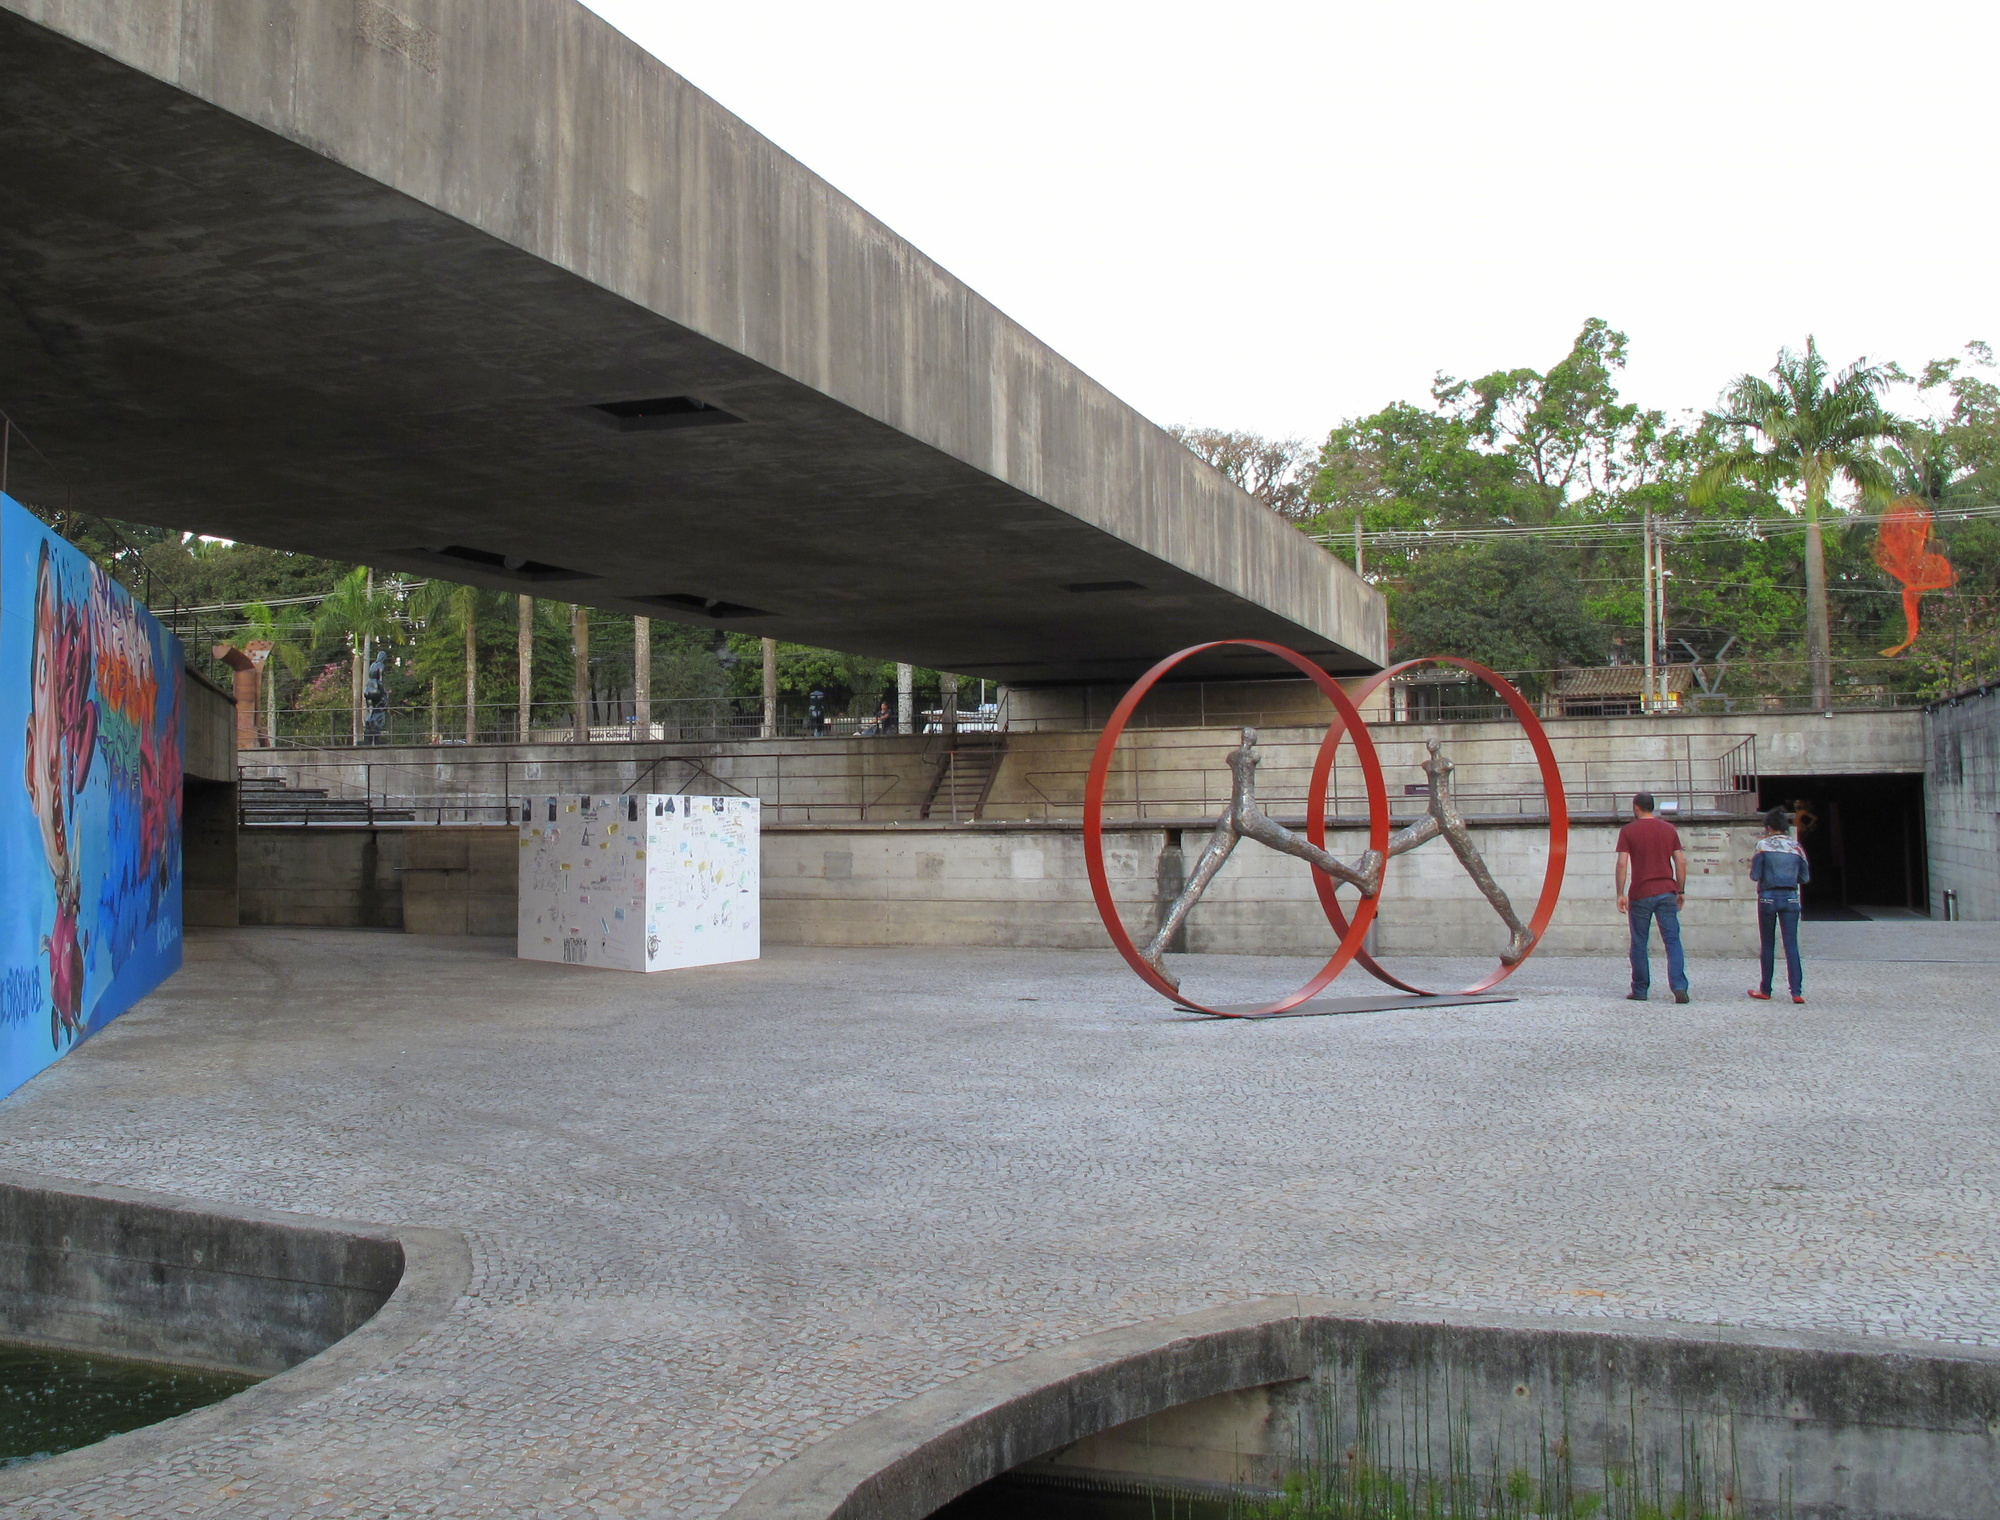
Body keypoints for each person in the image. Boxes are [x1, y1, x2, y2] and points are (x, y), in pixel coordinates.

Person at [1615, 791, 1688, 1003]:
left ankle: (1640, 988)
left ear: (1636, 807)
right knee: (1672, 941)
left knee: (1639, 941)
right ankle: (1679, 986)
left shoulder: (1628, 831)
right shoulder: (1669, 829)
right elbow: (1680, 861)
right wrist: (1680, 890)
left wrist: (1620, 893)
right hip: (1666, 890)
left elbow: (1622, 863)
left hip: (1641, 892)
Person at [1748, 807, 1810, 1004]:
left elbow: (1755, 875)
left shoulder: (1763, 846)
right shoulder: (1796, 847)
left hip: (1767, 897)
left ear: (1768, 827)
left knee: (1768, 943)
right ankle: (1796, 991)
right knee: (1791, 944)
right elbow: (1804, 877)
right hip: (1791, 897)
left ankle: (1765, 989)